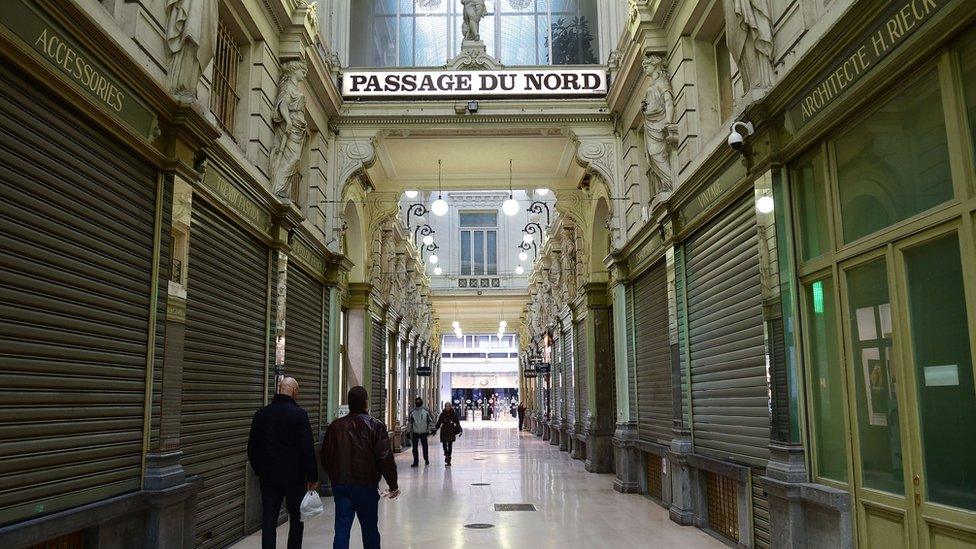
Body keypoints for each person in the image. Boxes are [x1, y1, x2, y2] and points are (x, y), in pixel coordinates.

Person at [321, 386, 399, 549]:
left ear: (349, 404)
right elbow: (384, 457)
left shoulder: (335, 426)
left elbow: (325, 456)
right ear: (365, 404)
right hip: (366, 485)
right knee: (370, 529)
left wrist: (334, 476)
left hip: (341, 485)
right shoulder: (375, 425)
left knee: (341, 529)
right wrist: (393, 484)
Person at [247, 377, 318, 549]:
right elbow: (307, 448)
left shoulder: (261, 414)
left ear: (280, 388)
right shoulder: (300, 415)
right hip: (294, 478)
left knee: (269, 519)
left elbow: (252, 448)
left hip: (269, 478)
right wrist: (312, 476)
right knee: (296, 517)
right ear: (294, 392)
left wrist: (260, 471)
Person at [408, 397, 434, 467]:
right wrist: (408, 431)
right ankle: (416, 461)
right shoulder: (412, 412)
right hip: (415, 432)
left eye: (419, 402)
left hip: (424, 432)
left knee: (425, 447)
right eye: (417, 402)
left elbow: (430, 420)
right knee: (414, 448)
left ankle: (426, 458)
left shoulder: (426, 411)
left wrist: (432, 429)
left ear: (421, 402)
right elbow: (410, 422)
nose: (418, 403)